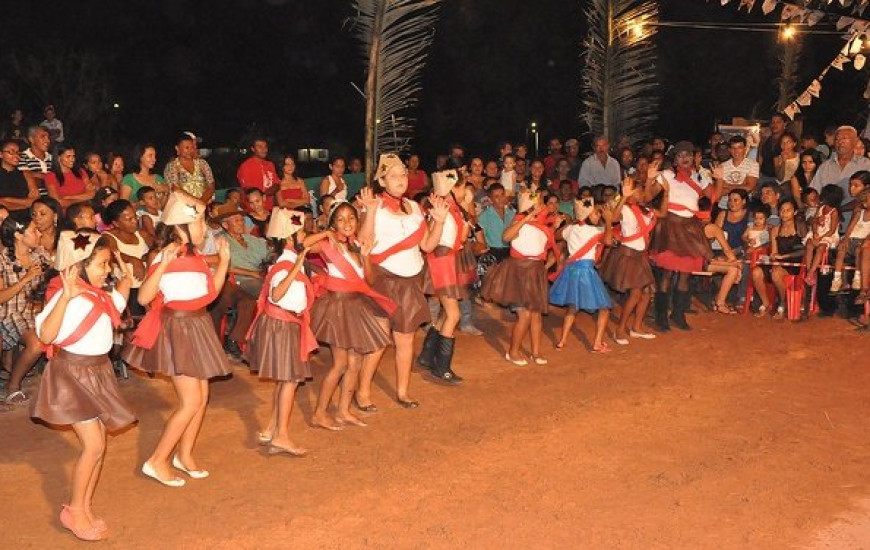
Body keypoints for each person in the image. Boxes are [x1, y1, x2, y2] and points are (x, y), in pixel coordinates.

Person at [31, 231, 135, 541]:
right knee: (93, 445)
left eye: (108, 264)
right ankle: (74, 510)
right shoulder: (67, 298)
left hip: (97, 372)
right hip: (72, 375)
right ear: (79, 267)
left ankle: (84, 505)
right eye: (102, 264)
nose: (107, 270)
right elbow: (47, 336)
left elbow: (119, 297)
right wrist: (64, 297)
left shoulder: (100, 295)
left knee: (99, 444)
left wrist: (124, 273)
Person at [123, 191, 232, 487]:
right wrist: (160, 266)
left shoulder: (195, 256)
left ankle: (184, 455)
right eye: (200, 223)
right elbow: (144, 297)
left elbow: (208, 296)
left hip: (198, 325)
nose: (205, 229)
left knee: (202, 397)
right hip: (179, 330)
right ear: (182, 226)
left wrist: (223, 262)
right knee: (191, 400)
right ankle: (157, 460)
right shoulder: (166, 255)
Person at [357, 153, 448, 409]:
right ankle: (362, 393)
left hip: (410, 281)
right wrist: (371, 212)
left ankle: (403, 391)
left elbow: (428, 245)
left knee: (406, 340)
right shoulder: (375, 206)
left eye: (403, 174)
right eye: (393, 176)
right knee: (379, 340)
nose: (400, 179)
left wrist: (438, 222)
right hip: (384, 279)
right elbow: (365, 243)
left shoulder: (415, 208)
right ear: (382, 181)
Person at [304, 201, 394, 430]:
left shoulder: (357, 244)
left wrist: (365, 256)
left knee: (356, 363)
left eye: (351, 218)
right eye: (341, 219)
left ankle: (343, 410)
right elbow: (301, 244)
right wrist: (325, 232)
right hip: (338, 308)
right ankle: (319, 413)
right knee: (340, 364)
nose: (347, 223)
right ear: (334, 222)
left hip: (356, 306)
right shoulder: (328, 244)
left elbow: (370, 281)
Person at [245, 208, 315, 456]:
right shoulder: (287, 263)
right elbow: (276, 295)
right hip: (282, 324)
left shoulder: (288, 259)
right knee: (289, 380)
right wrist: (296, 267)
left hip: (285, 324)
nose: (306, 235)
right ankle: (282, 436)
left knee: (285, 379)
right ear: (289, 237)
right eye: (302, 231)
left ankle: (272, 428)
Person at [646, 141, 721, 331]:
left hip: (689, 228)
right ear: (675, 159)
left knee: (685, 275)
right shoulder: (667, 175)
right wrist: (649, 179)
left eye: (688, 154)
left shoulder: (700, 177)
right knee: (667, 273)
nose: (685, 158)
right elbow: (647, 196)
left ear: (694, 157)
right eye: (680, 155)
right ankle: (661, 316)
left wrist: (719, 179)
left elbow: (714, 197)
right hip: (670, 225)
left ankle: (678, 314)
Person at [482, 191, 559, 365]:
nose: (540, 205)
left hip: (535, 271)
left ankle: (536, 352)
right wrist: (527, 217)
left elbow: (549, 251)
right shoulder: (518, 222)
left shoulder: (543, 227)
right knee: (524, 315)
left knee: (536, 314)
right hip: (519, 272)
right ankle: (513, 351)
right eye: (537, 203)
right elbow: (506, 237)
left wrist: (543, 268)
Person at [416, 169, 472, 383]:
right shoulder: (445, 210)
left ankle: (428, 356)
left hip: (444, 260)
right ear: (454, 188)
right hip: (443, 261)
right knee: (453, 314)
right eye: (462, 186)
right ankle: (442, 367)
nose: (465, 191)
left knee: (444, 313)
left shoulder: (447, 209)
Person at [599, 177, 669, 344]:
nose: (641, 193)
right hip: (628, 255)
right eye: (638, 191)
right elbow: (614, 218)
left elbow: (663, 213)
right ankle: (620, 330)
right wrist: (623, 197)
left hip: (640, 256)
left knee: (646, 293)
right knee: (636, 292)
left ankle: (636, 327)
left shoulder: (645, 210)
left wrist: (666, 192)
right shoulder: (626, 209)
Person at [549, 198, 614, 352]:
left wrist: (562, 224)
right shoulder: (596, 231)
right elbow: (609, 241)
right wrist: (609, 221)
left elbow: (556, 236)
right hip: (586, 272)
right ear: (588, 216)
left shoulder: (570, 229)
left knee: (573, 306)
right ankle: (597, 343)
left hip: (570, 271)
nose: (598, 216)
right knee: (604, 308)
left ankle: (562, 341)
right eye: (596, 213)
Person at [210, 203, 270, 359]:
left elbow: (269, 255)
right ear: (225, 224)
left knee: (270, 287)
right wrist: (251, 273)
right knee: (267, 290)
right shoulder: (220, 241)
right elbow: (219, 264)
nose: (241, 223)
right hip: (236, 279)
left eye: (241, 220)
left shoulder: (253, 240)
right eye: (236, 220)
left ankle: (234, 339)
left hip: (255, 278)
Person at [0, 218, 46, 405]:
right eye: (34, 230)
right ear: (19, 235)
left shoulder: (39, 255)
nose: (40, 233)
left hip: (33, 312)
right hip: (8, 312)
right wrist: (25, 279)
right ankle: (13, 387)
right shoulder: (2, 260)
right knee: (36, 343)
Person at [750, 198, 807, 319]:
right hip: (779, 262)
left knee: (776, 273)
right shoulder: (775, 230)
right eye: (782, 210)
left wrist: (784, 257)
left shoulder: (800, 227)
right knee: (756, 272)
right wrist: (774, 258)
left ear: (795, 212)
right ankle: (766, 303)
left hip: (795, 263)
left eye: (788, 210)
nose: (784, 213)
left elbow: (804, 250)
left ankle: (783, 303)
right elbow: (774, 252)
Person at [103, 200, 153, 316]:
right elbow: (113, 254)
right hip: (127, 291)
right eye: (129, 219)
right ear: (116, 223)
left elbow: (156, 249)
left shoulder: (141, 234)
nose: (135, 221)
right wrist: (134, 260)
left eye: (135, 217)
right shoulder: (108, 237)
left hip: (147, 288)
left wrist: (148, 256)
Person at [810, 126, 870, 199]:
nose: (840, 142)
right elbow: (814, 192)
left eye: (844, 138)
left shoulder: (866, 165)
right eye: (837, 139)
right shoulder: (825, 167)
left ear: (855, 141)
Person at [831, 185, 870, 293]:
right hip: (851, 238)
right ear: (865, 202)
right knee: (841, 251)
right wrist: (845, 239)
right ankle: (836, 278)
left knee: (859, 250)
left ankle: (857, 277)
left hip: (862, 242)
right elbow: (850, 227)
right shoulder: (859, 213)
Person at [803, 184, 843, 285]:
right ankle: (808, 270)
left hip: (828, 235)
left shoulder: (834, 212)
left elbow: (832, 230)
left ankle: (811, 272)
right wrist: (816, 233)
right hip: (818, 233)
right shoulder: (821, 208)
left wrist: (820, 237)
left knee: (821, 247)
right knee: (809, 244)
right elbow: (815, 222)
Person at [164, 134, 215, 203]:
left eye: (192, 147)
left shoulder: (202, 163)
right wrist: (196, 203)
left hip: (205, 205)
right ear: (177, 148)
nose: (190, 151)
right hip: (183, 208)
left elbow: (211, 185)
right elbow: (176, 189)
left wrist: (201, 203)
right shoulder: (172, 166)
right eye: (187, 148)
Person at [714, 136, 759, 210]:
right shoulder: (722, 166)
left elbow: (749, 188)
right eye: (733, 148)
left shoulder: (753, 164)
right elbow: (719, 191)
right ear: (729, 150)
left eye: (739, 147)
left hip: (743, 206)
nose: (736, 151)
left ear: (745, 148)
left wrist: (727, 186)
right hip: (723, 206)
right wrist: (742, 185)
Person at [0, 138, 39, 223]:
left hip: (25, 217)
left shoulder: (26, 174)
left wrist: (6, 200)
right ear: (1, 154)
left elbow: (35, 200)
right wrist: (25, 203)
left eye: (18, 152)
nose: (16, 156)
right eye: (11, 152)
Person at [44, 146, 96, 210]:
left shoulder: (80, 171)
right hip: (67, 213)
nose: (72, 159)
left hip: (86, 209)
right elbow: (58, 203)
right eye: (68, 156)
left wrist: (70, 197)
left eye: (73, 156)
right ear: (58, 158)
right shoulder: (50, 176)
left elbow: (92, 194)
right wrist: (82, 199)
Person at [236, 138, 279, 211]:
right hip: (253, 210)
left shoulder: (270, 165)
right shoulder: (246, 166)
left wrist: (264, 194)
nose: (264, 149)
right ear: (253, 149)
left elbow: (277, 184)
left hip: (269, 208)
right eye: (259, 146)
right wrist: (262, 196)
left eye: (265, 147)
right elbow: (248, 190)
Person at [758, 113, 787, 180]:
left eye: (778, 122)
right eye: (773, 122)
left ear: (784, 124)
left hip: (782, 179)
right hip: (764, 175)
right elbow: (760, 156)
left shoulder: (787, 140)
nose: (775, 125)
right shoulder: (766, 139)